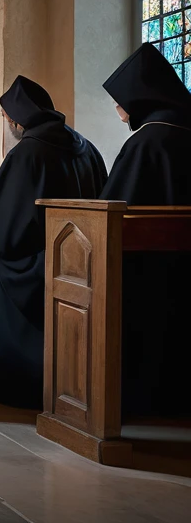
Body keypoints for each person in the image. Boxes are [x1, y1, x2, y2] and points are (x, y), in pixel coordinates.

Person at [0, 75, 107, 407]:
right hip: (85, 261)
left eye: (3, 118)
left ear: (15, 119)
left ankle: (12, 379)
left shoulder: (28, 152)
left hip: (37, 266)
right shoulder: (86, 146)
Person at [100, 43, 191, 416]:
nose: (118, 110)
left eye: (119, 100)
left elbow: (110, 210)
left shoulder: (147, 142)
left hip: (150, 273)